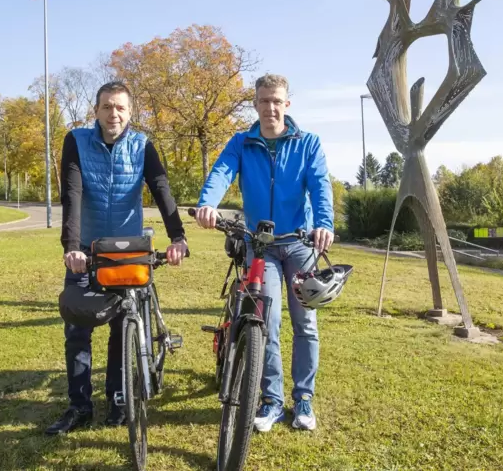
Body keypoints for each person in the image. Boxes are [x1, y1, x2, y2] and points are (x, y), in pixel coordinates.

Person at [46, 81, 188, 435]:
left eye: (121, 108)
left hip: (126, 254)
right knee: (77, 329)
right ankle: (79, 406)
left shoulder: (142, 145)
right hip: (88, 253)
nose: (114, 114)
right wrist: (72, 247)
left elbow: (161, 189)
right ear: (96, 110)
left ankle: (117, 399)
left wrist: (178, 237)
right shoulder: (76, 141)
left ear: (130, 112)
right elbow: (72, 194)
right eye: (107, 107)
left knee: (120, 328)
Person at [195, 74, 334, 432]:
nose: (270, 107)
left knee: (305, 323)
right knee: (265, 323)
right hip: (261, 246)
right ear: (255, 104)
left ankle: (303, 398)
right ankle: (271, 399)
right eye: (263, 101)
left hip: (300, 244)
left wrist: (324, 223)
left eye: (277, 101)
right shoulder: (242, 142)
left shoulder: (308, 143)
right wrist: (207, 204)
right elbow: (221, 173)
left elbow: (320, 187)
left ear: (287, 105)